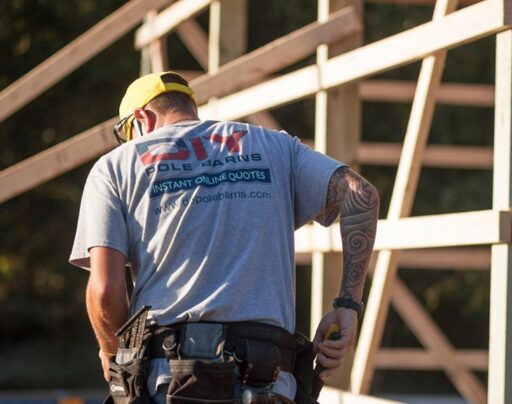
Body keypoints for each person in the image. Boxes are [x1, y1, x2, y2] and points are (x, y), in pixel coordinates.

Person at [69, 71, 379, 403]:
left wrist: (116, 358)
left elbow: (104, 291)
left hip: (172, 383)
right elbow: (361, 194)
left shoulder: (115, 166)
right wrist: (347, 306)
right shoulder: (275, 146)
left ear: (142, 119)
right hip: (270, 382)